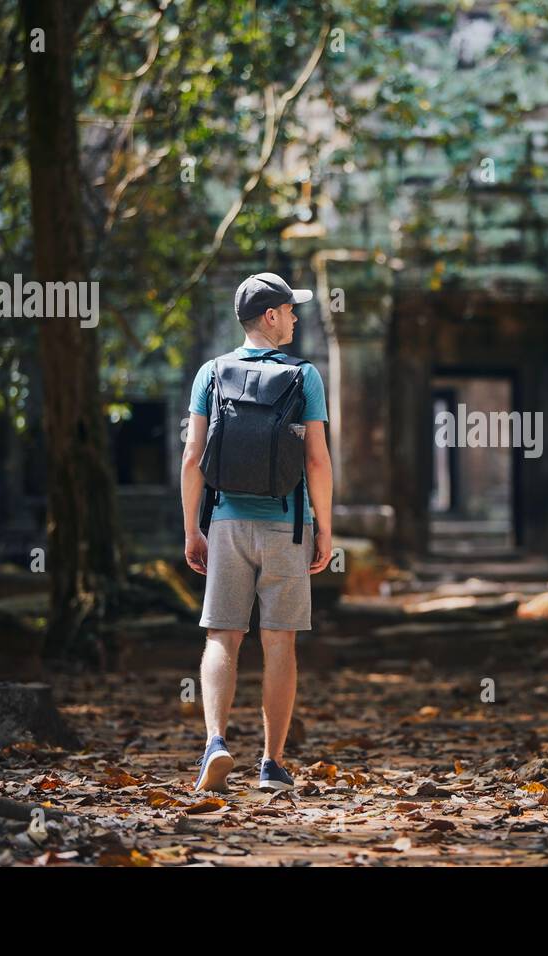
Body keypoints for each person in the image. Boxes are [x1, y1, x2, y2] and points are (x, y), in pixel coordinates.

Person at [179, 272, 333, 792]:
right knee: (279, 642)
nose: (294, 317)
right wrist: (325, 530)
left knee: (223, 634)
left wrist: (191, 530)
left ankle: (216, 744)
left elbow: (192, 459)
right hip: (288, 526)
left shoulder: (211, 373)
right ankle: (271, 763)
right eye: (290, 310)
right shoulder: (304, 376)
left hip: (225, 524)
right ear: (271, 316)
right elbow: (316, 460)